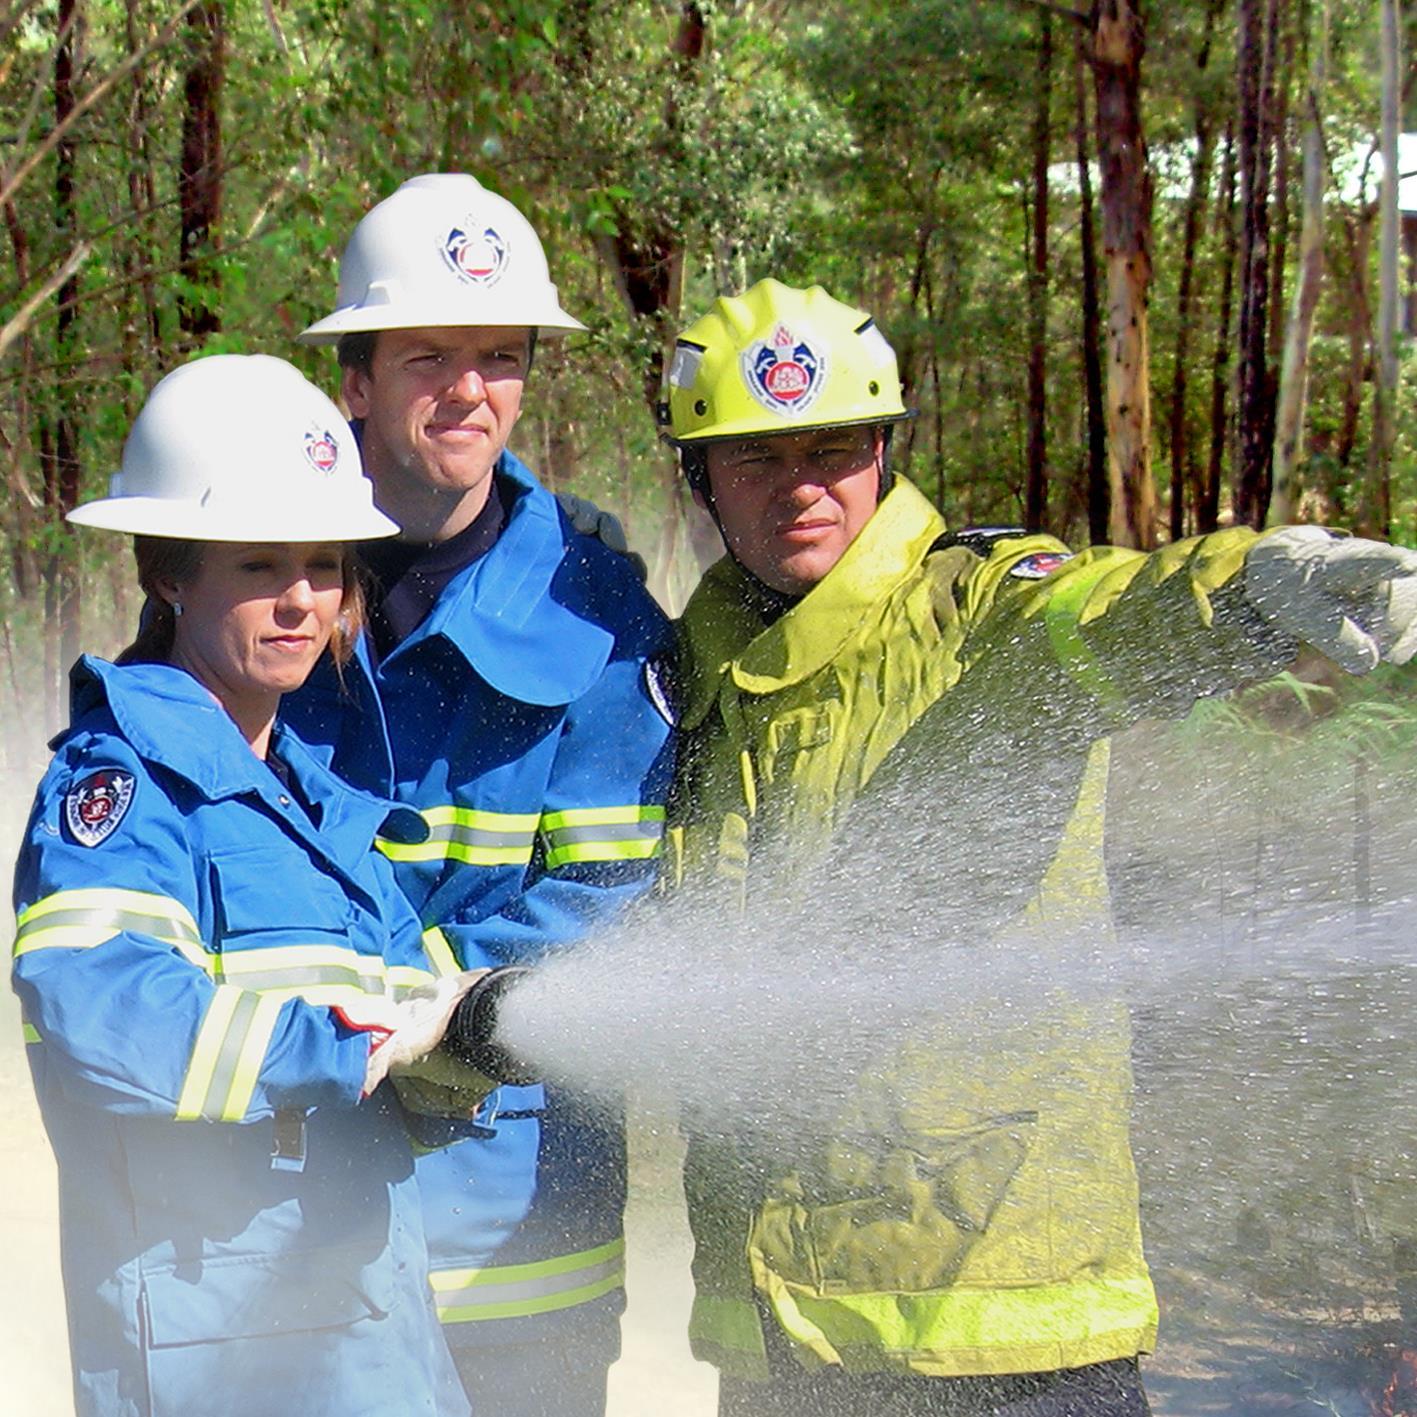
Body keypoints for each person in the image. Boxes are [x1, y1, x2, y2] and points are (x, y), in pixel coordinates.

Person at [660, 278, 1417, 1415]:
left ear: (883, 449)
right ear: (701, 478)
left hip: (1003, 1329)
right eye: (759, 459)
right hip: (782, 1337)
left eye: (835, 446)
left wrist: (1253, 596)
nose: (803, 486)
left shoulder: (976, 616)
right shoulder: (694, 680)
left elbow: (1103, 614)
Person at [11, 355, 476, 1417]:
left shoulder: (320, 810)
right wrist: (345, 1046)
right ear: (171, 573)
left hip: (369, 1332)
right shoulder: (123, 789)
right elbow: (103, 1006)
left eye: (324, 563)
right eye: (259, 564)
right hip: (218, 1359)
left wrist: (463, 1036)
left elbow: (404, 1024)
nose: (301, 600)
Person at [285, 173, 675, 1417]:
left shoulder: (597, 607)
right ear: (357, 377)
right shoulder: (255, 573)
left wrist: (447, 1005)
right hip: (280, 1233)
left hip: (515, 1246)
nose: (470, 391)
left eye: (500, 357)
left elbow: (618, 889)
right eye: (430, 356)